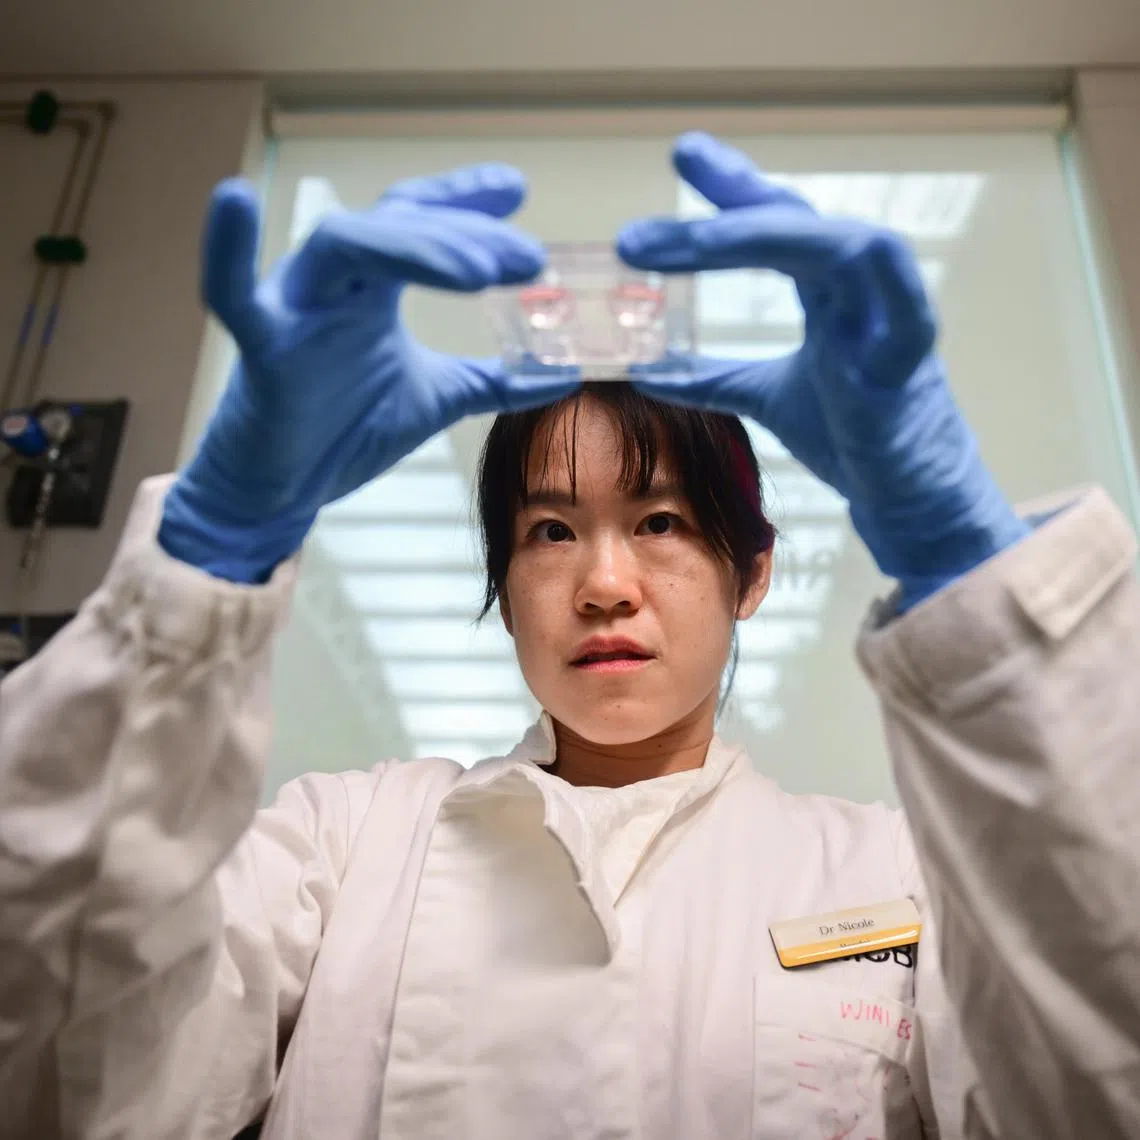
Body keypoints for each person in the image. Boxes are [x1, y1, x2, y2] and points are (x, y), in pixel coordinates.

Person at [0, 132, 1138, 1140]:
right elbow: (69, 1072)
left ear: (750, 578)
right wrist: (212, 553)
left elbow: (1101, 1090)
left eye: (659, 522)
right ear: (504, 577)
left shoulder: (893, 874)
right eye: (550, 530)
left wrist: (962, 558)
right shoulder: (344, 847)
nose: (602, 584)